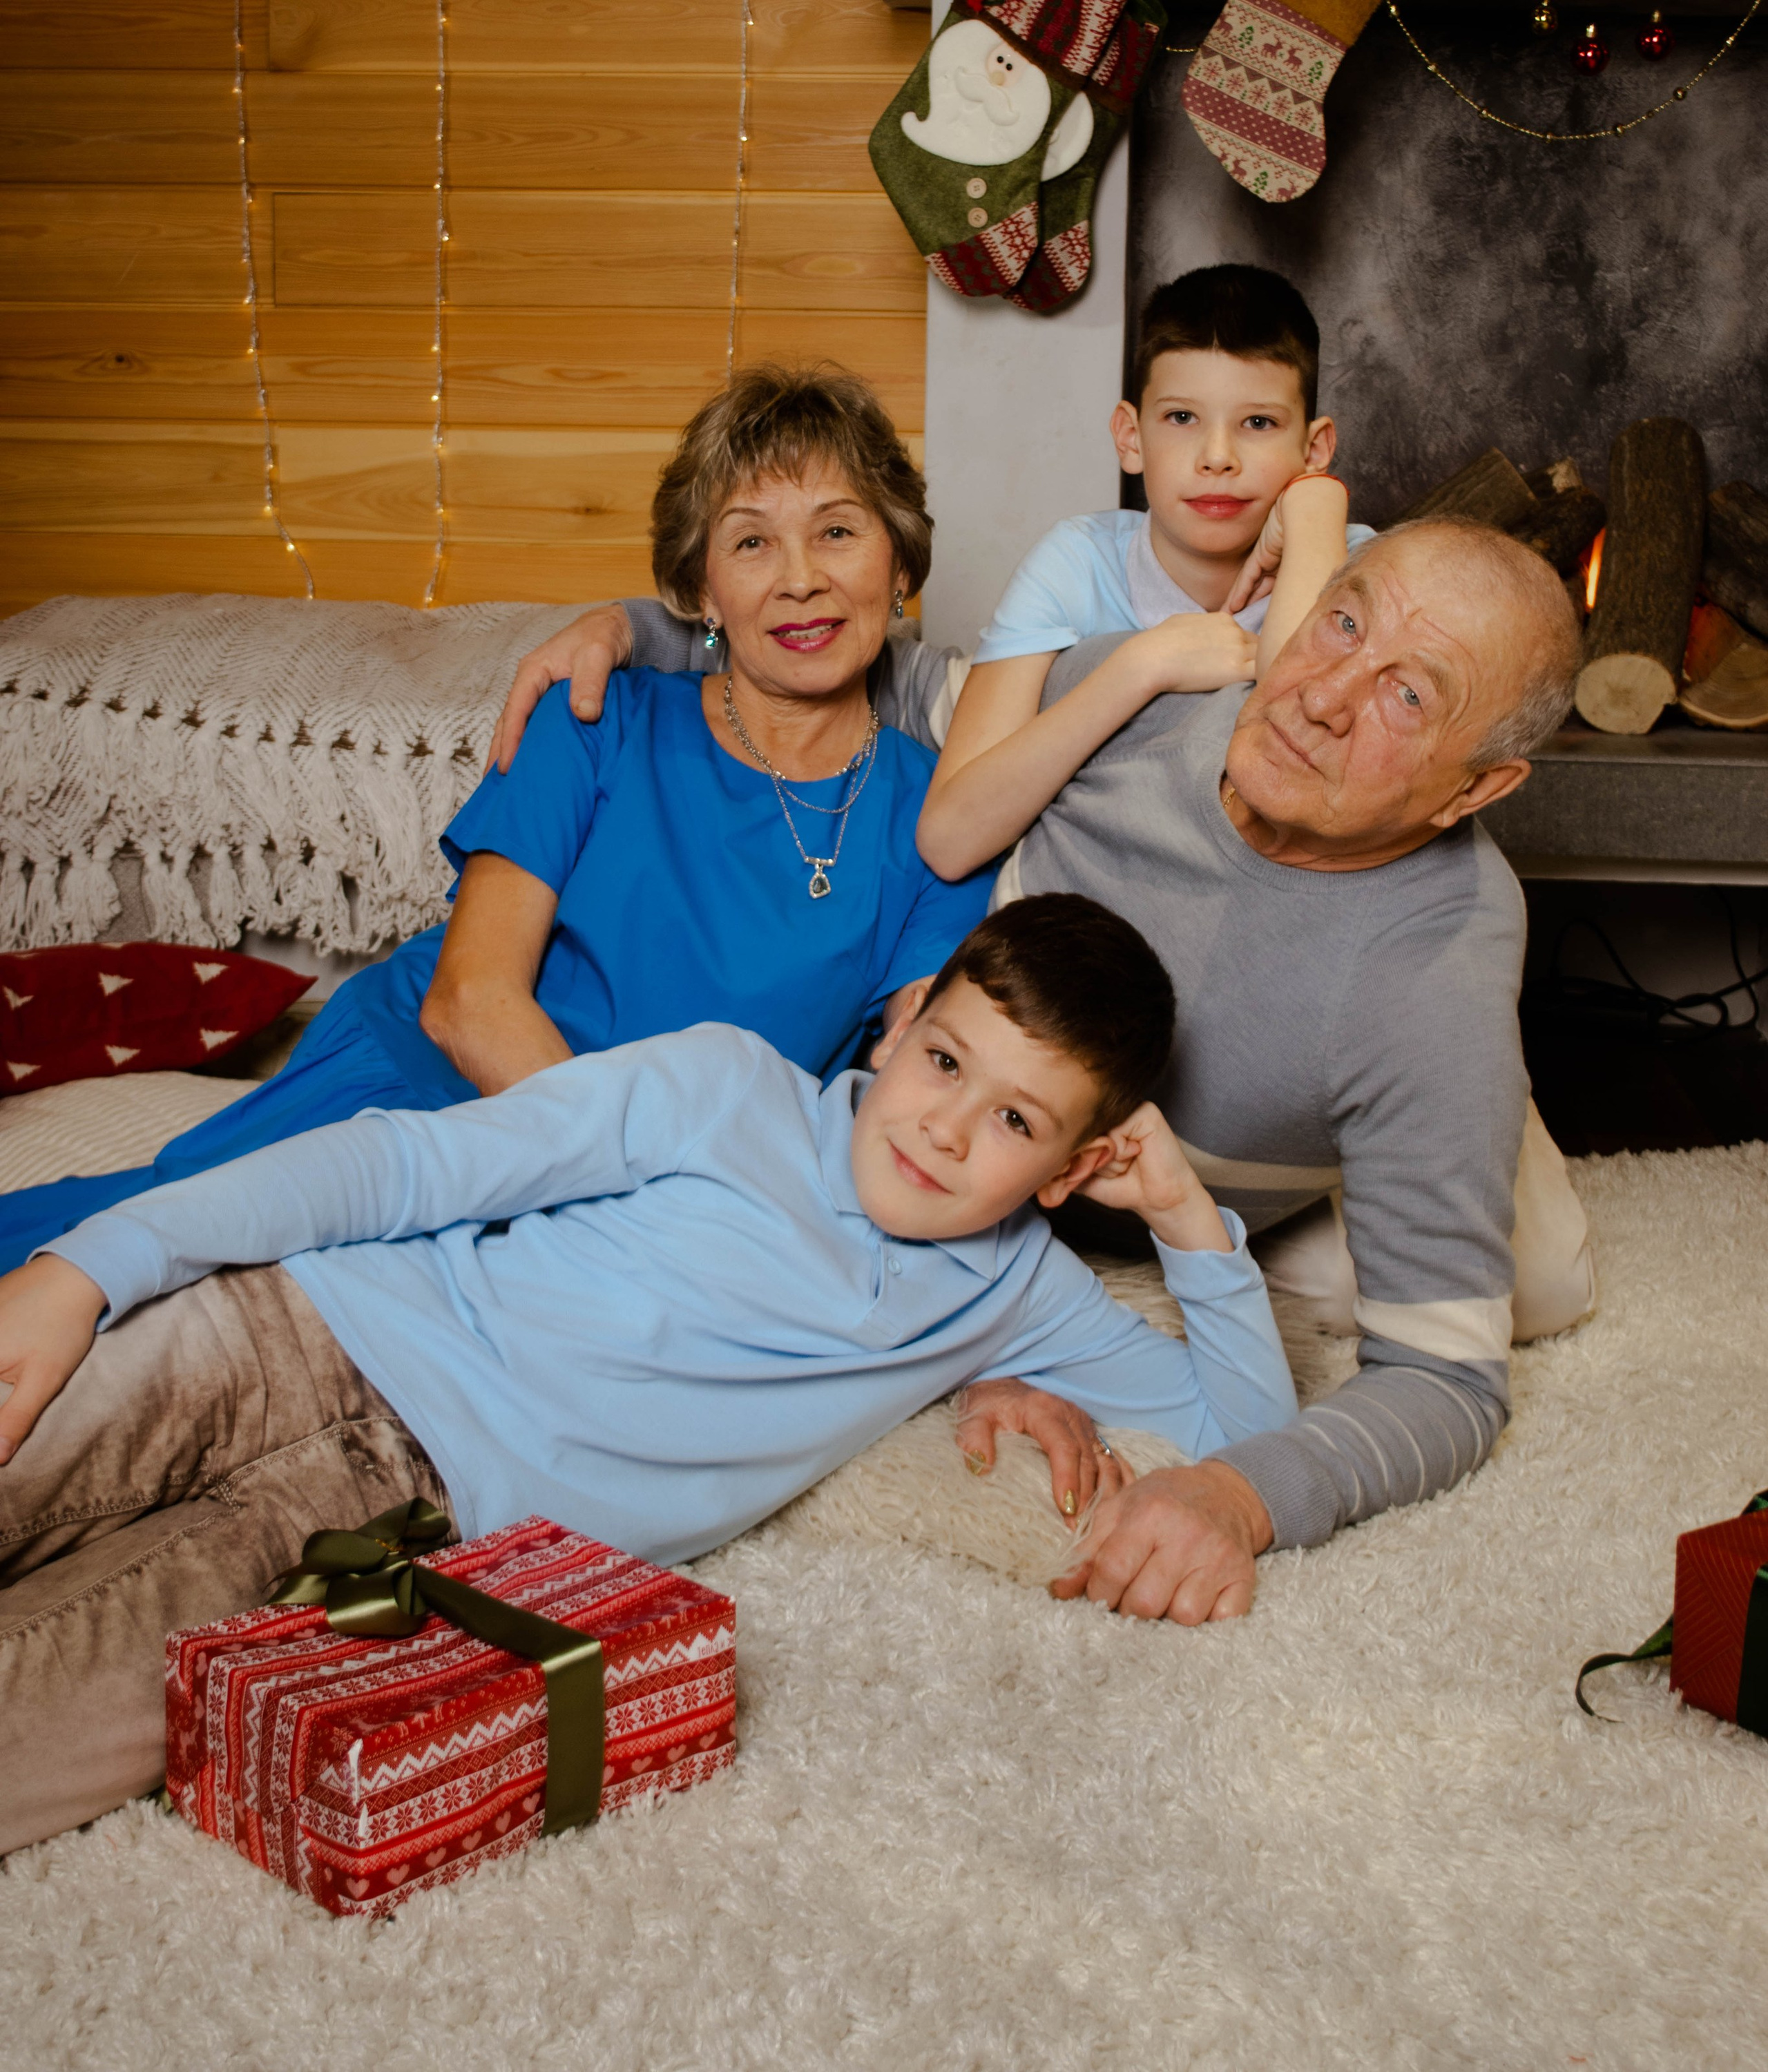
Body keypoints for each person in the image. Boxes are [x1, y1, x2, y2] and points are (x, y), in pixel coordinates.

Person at [0, 896, 1298, 1851]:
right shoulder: (725, 1087)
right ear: (904, 1023)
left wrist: (1183, 1213)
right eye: (945, 1062)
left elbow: (1244, 1434)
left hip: (381, 1539)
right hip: (285, 1337)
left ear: (1074, 1170)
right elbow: (410, 1166)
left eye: (1016, 1121)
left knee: (35, 1735)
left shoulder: (1018, 1294)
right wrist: (91, 1268)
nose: (947, 1129)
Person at [491, 516, 1595, 1625]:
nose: (1324, 696)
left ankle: (1484, 1149)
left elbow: (1447, 1382)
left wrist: (1239, 1493)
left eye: (1410, 695)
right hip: (1021, 1154)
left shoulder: (1432, 982)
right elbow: (893, 677)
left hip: (1222, 1156)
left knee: (1534, 1285)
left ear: (1473, 790)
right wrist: (638, 632)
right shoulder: (1148, 691)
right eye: (1342, 624)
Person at [0, 366, 994, 1278]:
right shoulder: (594, 719)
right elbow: (467, 1003)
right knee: (141, 1257)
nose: (800, 577)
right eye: (750, 542)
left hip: (663, 1187)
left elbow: (917, 1079)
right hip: (435, 1091)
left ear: (900, 560)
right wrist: (633, 1197)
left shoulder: (943, 820)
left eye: (838, 531)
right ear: (702, 592)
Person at [917, 265, 1374, 879]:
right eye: (1182, 418)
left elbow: (1298, 717)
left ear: (1314, 450)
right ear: (1131, 438)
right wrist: (1142, 666)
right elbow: (950, 842)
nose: (1218, 458)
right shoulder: (1077, 563)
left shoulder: (1360, 564)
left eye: (1258, 423)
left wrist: (1316, 507)